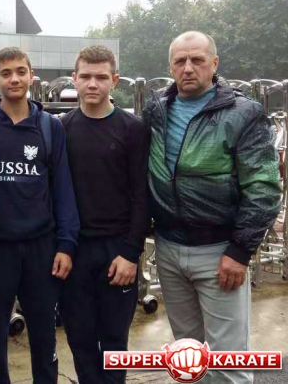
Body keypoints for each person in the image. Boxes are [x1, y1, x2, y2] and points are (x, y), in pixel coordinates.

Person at [143, 31, 281, 383]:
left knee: (228, 363)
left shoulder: (243, 113)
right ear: (171, 67)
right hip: (169, 249)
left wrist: (241, 250)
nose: (188, 68)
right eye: (180, 61)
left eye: (197, 60)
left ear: (214, 63)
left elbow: (264, 188)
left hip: (220, 252)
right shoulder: (156, 110)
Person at [0, 47, 79, 384]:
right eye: (6, 73)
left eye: (21, 71)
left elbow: (63, 189)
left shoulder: (50, 127)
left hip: (41, 249)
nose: (14, 79)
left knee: (44, 336)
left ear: (32, 76)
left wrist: (66, 245)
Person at [58, 45, 150, 384]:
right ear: (74, 79)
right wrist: (62, 248)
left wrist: (130, 253)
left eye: (100, 77)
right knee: (80, 339)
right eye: (85, 76)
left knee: (114, 341)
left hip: (117, 251)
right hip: (75, 252)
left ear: (115, 80)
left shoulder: (133, 129)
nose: (92, 84)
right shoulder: (62, 129)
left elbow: (142, 195)